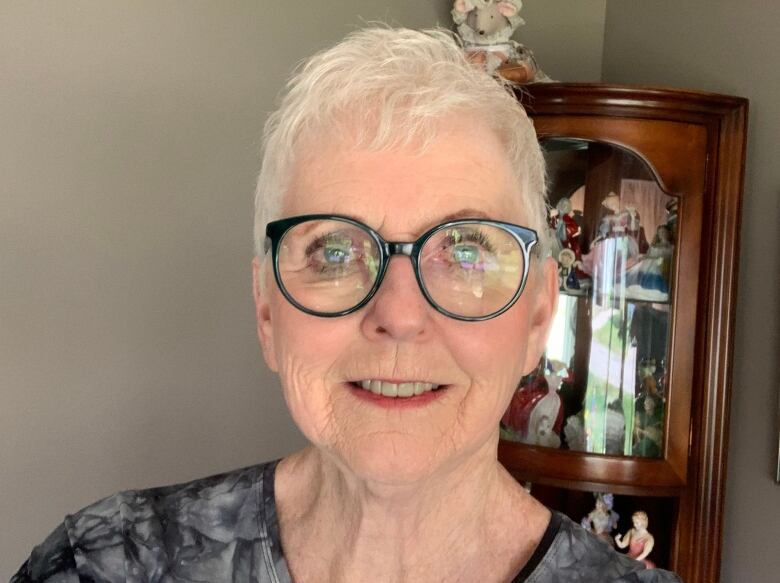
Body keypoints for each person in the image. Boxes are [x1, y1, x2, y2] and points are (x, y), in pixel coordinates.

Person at [12, 27, 681, 583]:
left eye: (467, 250)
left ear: (537, 316)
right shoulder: (103, 564)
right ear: (268, 312)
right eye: (334, 251)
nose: (398, 314)